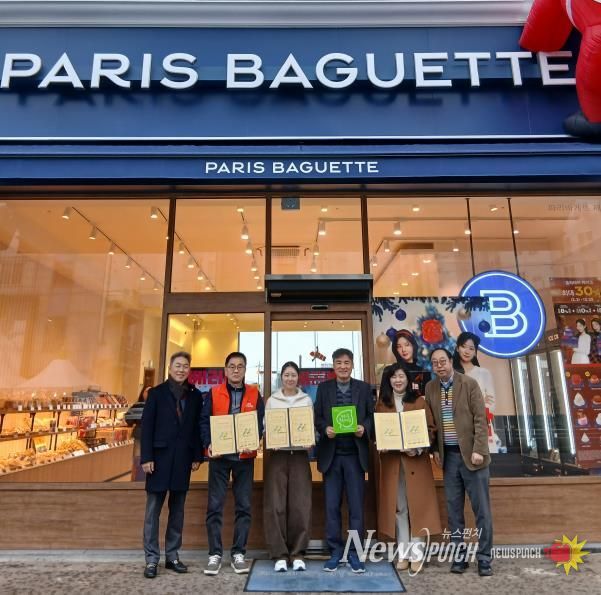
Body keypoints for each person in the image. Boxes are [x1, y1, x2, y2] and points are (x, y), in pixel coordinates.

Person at [425, 348, 493, 577]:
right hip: (449, 458)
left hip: (473, 457)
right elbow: (432, 424)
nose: (439, 366)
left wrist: (479, 449)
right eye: (435, 363)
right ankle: (459, 557)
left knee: (481, 511)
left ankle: (484, 558)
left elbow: (481, 419)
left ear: (450, 361)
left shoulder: (469, 384)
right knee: (454, 512)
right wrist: (435, 449)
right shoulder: (430, 388)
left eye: (442, 361)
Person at [200, 351, 265, 576]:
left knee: (244, 507)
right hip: (219, 458)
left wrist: (254, 441)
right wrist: (208, 443)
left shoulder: (255, 393)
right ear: (225, 370)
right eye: (232, 366)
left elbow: (260, 423)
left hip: (244, 459)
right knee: (215, 506)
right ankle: (215, 554)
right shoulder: (213, 393)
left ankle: (239, 553)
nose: (236, 370)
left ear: (245, 370)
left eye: (240, 366)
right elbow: (204, 421)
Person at [140, 352, 203, 579]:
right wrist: (146, 457)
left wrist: (197, 456)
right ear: (169, 368)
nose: (181, 369)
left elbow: (196, 428)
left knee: (177, 511)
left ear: (189, 370)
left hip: (182, 460)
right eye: (178, 365)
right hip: (158, 460)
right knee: (153, 512)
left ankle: (172, 556)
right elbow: (147, 427)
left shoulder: (195, 395)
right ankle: (151, 559)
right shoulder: (156, 394)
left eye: (185, 366)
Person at [376, 363, 441, 573]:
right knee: (399, 509)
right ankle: (403, 553)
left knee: (417, 507)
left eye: (401, 376)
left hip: (415, 462)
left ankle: (417, 554)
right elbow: (378, 432)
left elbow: (430, 429)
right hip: (393, 464)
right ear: (388, 380)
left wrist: (419, 448)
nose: (398, 380)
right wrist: (381, 443)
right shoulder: (382, 404)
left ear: (408, 379)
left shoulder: (419, 401)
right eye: (393, 377)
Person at [314, 348, 374, 573]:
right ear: (333, 366)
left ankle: (355, 553)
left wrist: (364, 428)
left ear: (352, 365)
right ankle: (335, 552)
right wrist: (325, 428)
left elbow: (371, 416)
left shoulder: (363, 388)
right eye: (338, 363)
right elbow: (317, 416)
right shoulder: (324, 388)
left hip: (355, 458)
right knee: (332, 507)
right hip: (332, 457)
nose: (343, 366)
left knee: (356, 508)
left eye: (346, 362)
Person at [264, 361, 314, 572]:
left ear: (298, 378)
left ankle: (298, 553)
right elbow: (266, 427)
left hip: (299, 456)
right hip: (278, 456)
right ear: (281, 377)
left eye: (293, 375)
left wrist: (310, 439)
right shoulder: (272, 401)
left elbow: (311, 426)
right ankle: (279, 554)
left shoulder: (306, 400)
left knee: (300, 505)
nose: (290, 378)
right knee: (276, 505)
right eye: (286, 375)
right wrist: (271, 438)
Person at [452, 332, 500, 453]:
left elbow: (491, 405)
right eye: (464, 346)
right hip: (456, 429)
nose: (467, 351)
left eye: (471, 348)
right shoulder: (451, 374)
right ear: (457, 348)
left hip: (480, 427)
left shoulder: (483, 373)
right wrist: (479, 400)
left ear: (475, 352)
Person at [391, 329, 431, 396]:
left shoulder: (424, 371)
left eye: (407, 345)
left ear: (413, 346)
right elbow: (384, 398)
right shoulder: (390, 371)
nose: (403, 350)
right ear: (395, 349)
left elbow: (428, 398)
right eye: (399, 346)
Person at [130, 386, 151, 481]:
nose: (149, 393)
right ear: (142, 393)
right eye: (147, 391)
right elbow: (128, 419)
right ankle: (136, 479)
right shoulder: (137, 406)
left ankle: (145, 478)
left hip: (151, 436)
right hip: (139, 435)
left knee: (148, 458)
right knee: (137, 458)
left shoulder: (157, 405)